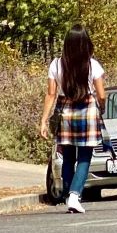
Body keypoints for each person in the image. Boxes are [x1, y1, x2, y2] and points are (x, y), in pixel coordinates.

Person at [39, 24, 106, 213]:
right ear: (86, 43)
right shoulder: (93, 65)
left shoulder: (56, 64)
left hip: (65, 110)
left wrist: (44, 120)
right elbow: (101, 94)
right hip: (88, 109)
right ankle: (75, 195)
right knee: (84, 157)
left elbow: (51, 94)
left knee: (68, 156)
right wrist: (102, 108)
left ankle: (69, 193)